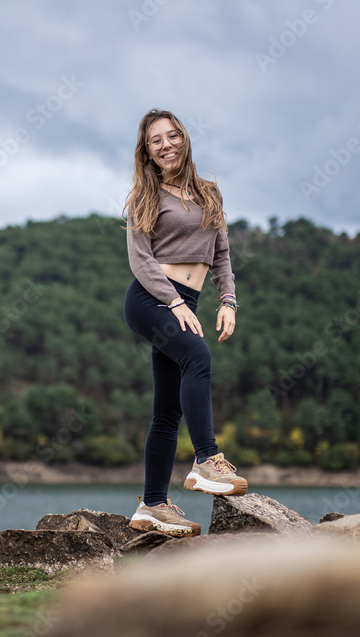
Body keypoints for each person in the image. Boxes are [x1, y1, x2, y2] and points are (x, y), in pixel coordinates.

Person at [122, 109, 248, 538]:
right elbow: (140, 260)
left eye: (172, 136)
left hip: (187, 301)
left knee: (167, 410)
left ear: (185, 139)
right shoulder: (145, 196)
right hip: (151, 299)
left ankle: (152, 505)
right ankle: (207, 460)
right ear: (148, 152)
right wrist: (174, 302)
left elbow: (222, 255)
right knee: (197, 355)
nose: (166, 144)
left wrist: (227, 300)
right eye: (156, 140)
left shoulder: (209, 193)